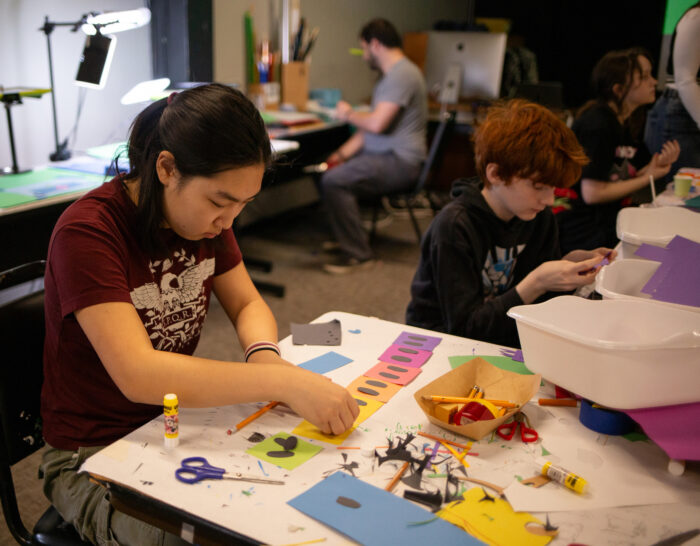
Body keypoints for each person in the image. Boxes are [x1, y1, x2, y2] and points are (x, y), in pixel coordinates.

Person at [39, 84, 359, 546]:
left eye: (242, 205)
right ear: (167, 169)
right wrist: (281, 381)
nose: (229, 221)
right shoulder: (87, 233)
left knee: (294, 502)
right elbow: (139, 374)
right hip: (91, 455)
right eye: (220, 202)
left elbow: (247, 303)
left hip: (176, 425)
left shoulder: (200, 220)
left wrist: (265, 356)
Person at [406, 99, 614, 348]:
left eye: (552, 188)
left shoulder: (537, 216)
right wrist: (536, 282)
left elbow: (540, 307)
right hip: (438, 344)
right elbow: (464, 330)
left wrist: (568, 268)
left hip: (504, 338)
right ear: (495, 174)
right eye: (538, 187)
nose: (549, 199)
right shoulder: (454, 227)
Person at [320, 18, 428, 274]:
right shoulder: (389, 78)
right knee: (327, 170)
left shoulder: (402, 75)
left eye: (364, 49)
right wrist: (339, 154)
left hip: (400, 161)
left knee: (335, 181)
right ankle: (348, 237)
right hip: (384, 155)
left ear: (375, 44)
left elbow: (377, 124)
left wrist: (347, 114)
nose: (364, 56)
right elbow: (369, 129)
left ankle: (360, 254)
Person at [555, 48, 680, 254]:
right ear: (619, 89)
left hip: (607, 222)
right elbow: (592, 193)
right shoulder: (598, 125)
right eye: (644, 76)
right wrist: (648, 176)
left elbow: (626, 175)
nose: (654, 82)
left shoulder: (624, 122)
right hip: (584, 231)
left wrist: (655, 167)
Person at [645, 2, 700, 175]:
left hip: (690, 112)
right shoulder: (696, 17)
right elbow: (684, 78)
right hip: (683, 111)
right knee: (687, 191)